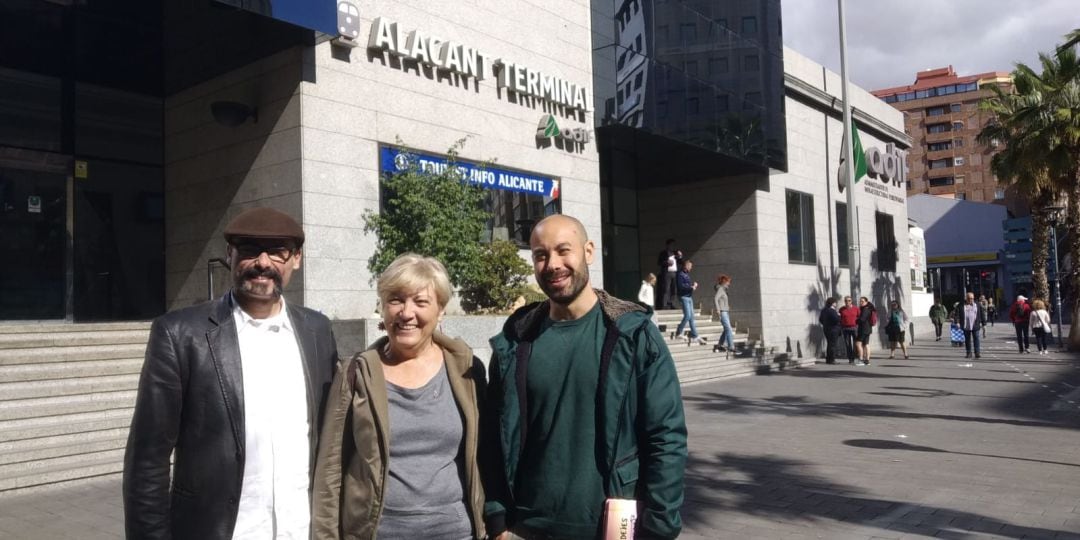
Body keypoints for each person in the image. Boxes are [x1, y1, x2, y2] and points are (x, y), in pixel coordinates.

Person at [123, 207, 339, 539]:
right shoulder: (180, 334)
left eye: (278, 251)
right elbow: (147, 462)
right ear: (230, 254)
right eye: (250, 249)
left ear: (297, 258)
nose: (263, 262)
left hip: (301, 529)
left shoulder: (318, 331)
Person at [485, 214, 687, 540]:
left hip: (610, 531)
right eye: (541, 254)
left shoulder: (634, 336)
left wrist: (658, 529)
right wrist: (497, 520)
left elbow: (666, 439)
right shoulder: (516, 341)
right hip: (524, 529)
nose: (553, 264)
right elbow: (493, 439)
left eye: (564, 250)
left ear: (588, 251)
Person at [312, 254, 486, 539]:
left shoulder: (466, 370)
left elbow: (484, 456)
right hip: (380, 533)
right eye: (396, 300)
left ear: (440, 310)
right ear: (383, 307)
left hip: (454, 531)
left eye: (420, 302)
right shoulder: (357, 373)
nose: (406, 313)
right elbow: (330, 471)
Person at [674, 260, 707, 345]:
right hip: (683, 297)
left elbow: (686, 286)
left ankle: (695, 335)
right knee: (688, 315)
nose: (691, 268)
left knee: (692, 317)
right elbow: (681, 286)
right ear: (686, 266)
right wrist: (691, 287)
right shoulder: (680, 274)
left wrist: (692, 287)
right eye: (690, 266)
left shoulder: (686, 274)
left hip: (689, 297)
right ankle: (679, 331)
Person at [957, 292, 985, 359]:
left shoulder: (977, 304)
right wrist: (957, 322)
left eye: (972, 298)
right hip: (966, 325)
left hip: (975, 325)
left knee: (976, 339)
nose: (971, 300)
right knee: (967, 340)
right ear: (966, 298)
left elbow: (982, 313)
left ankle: (977, 353)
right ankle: (969, 353)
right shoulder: (961, 305)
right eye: (969, 298)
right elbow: (957, 314)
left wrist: (984, 324)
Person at [656, 239, 682, 309]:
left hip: (674, 273)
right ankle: (664, 305)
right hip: (667, 273)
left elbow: (680, 261)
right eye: (671, 244)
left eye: (674, 245)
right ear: (667, 245)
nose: (673, 246)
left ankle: (671, 303)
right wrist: (667, 262)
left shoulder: (675, 253)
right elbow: (659, 262)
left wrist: (680, 256)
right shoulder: (663, 253)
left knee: (673, 289)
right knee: (666, 289)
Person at [713, 273, 734, 353]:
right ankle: (731, 346)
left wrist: (727, 306)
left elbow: (722, 300)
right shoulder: (721, 289)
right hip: (722, 312)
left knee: (726, 329)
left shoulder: (724, 290)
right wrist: (718, 309)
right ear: (724, 282)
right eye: (728, 282)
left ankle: (720, 345)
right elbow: (715, 299)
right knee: (728, 329)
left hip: (725, 311)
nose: (729, 283)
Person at [819, 297, 841, 364]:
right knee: (833, 345)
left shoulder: (824, 310)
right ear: (832, 303)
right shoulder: (832, 310)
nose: (836, 304)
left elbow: (820, 319)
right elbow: (836, 320)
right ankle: (832, 359)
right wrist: (839, 315)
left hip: (826, 329)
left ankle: (828, 359)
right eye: (835, 302)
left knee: (829, 344)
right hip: (833, 329)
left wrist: (826, 324)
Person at [838, 296, 859, 364]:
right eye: (846, 301)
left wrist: (858, 325)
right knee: (848, 344)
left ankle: (856, 355)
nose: (848, 302)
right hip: (845, 328)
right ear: (844, 301)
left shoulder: (856, 308)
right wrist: (841, 326)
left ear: (851, 301)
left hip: (854, 328)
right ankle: (850, 358)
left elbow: (859, 317)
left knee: (856, 343)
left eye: (849, 300)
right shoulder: (841, 309)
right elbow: (839, 318)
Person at [856, 297, 876, 365]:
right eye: (860, 301)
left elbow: (862, 319)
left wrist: (856, 320)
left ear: (866, 302)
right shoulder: (868, 309)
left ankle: (861, 360)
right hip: (868, 329)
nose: (861, 302)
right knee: (866, 344)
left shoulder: (865, 309)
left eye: (863, 301)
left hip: (863, 329)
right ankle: (867, 360)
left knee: (858, 343)